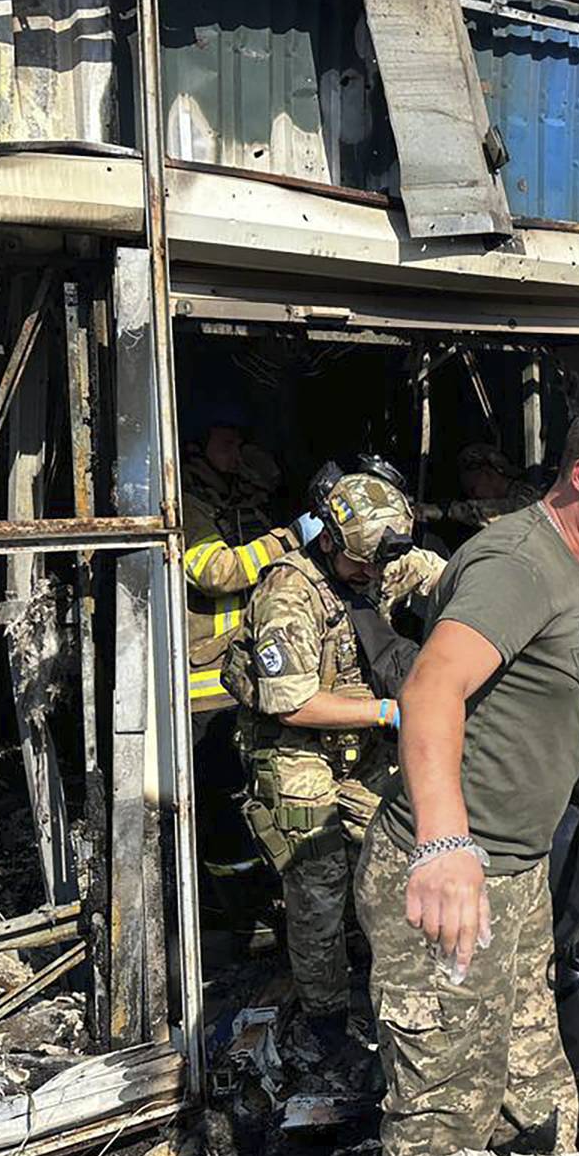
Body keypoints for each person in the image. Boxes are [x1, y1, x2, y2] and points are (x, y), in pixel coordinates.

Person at [354, 397, 579, 1156]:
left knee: (536, 1097)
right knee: (444, 1125)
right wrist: (443, 845)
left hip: (517, 878)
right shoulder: (517, 565)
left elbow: (557, 672)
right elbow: (431, 690)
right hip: (451, 880)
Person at [224, 458, 445, 1046]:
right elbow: (292, 704)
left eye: (379, 564)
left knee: (400, 853)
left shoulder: (381, 563)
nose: (372, 574)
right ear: (327, 540)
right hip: (297, 749)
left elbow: (447, 579)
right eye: (361, 563)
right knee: (318, 886)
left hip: (361, 747)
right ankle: (325, 1019)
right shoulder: (289, 594)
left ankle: (403, 994)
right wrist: (388, 712)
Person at [181, 412, 310, 941]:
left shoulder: (237, 500)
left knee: (255, 798)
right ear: (197, 445)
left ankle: (259, 905)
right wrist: (289, 537)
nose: (237, 453)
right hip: (204, 688)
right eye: (228, 442)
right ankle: (237, 918)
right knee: (222, 807)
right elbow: (217, 572)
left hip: (243, 681)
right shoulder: (185, 503)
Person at [417, 441, 543, 532]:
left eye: (473, 488)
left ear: (488, 474)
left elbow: (500, 512)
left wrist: (443, 511)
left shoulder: (528, 495)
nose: (474, 497)